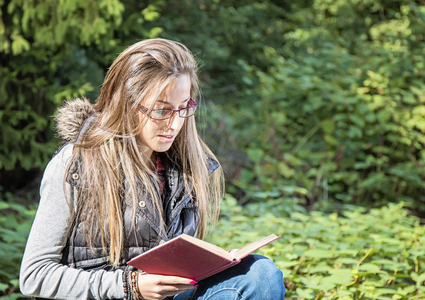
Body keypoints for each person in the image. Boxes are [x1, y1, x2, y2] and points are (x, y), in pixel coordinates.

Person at [19, 38, 285, 300]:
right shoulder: (75, 164)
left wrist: (213, 265)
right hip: (108, 295)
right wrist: (129, 286)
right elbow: (34, 276)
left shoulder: (184, 166)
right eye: (161, 111)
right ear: (126, 104)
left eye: (184, 108)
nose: (174, 124)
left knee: (260, 274)